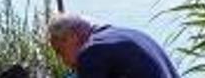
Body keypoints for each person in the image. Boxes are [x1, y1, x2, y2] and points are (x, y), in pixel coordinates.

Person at [47, 13, 178, 78]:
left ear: (72, 37)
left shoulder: (91, 51)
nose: (63, 61)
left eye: (60, 51)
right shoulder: (134, 34)